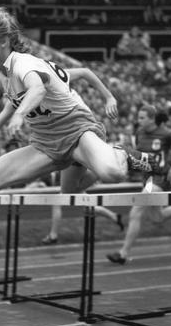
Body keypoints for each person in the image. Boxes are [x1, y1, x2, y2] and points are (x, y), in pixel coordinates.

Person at [0, 7, 161, 268]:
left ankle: (122, 154)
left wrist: (21, 115)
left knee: (112, 173)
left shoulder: (25, 64)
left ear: (4, 41)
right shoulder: (2, 74)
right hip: (46, 143)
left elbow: (37, 90)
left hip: (76, 130)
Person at [41, 66, 126, 245]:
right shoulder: (44, 88)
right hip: (81, 136)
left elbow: (86, 72)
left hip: (79, 137)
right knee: (74, 193)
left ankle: (53, 235)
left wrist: (109, 96)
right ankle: (112, 212)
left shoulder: (48, 79)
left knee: (64, 195)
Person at [106, 104, 171, 264]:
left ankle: (123, 254)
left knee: (136, 211)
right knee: (157, 218)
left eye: (142, 118)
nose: (138, 120)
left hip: (161, 178)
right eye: (138, 117)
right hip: (147, 179)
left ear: (152, 119)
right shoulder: (139, 133)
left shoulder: (166, 134)